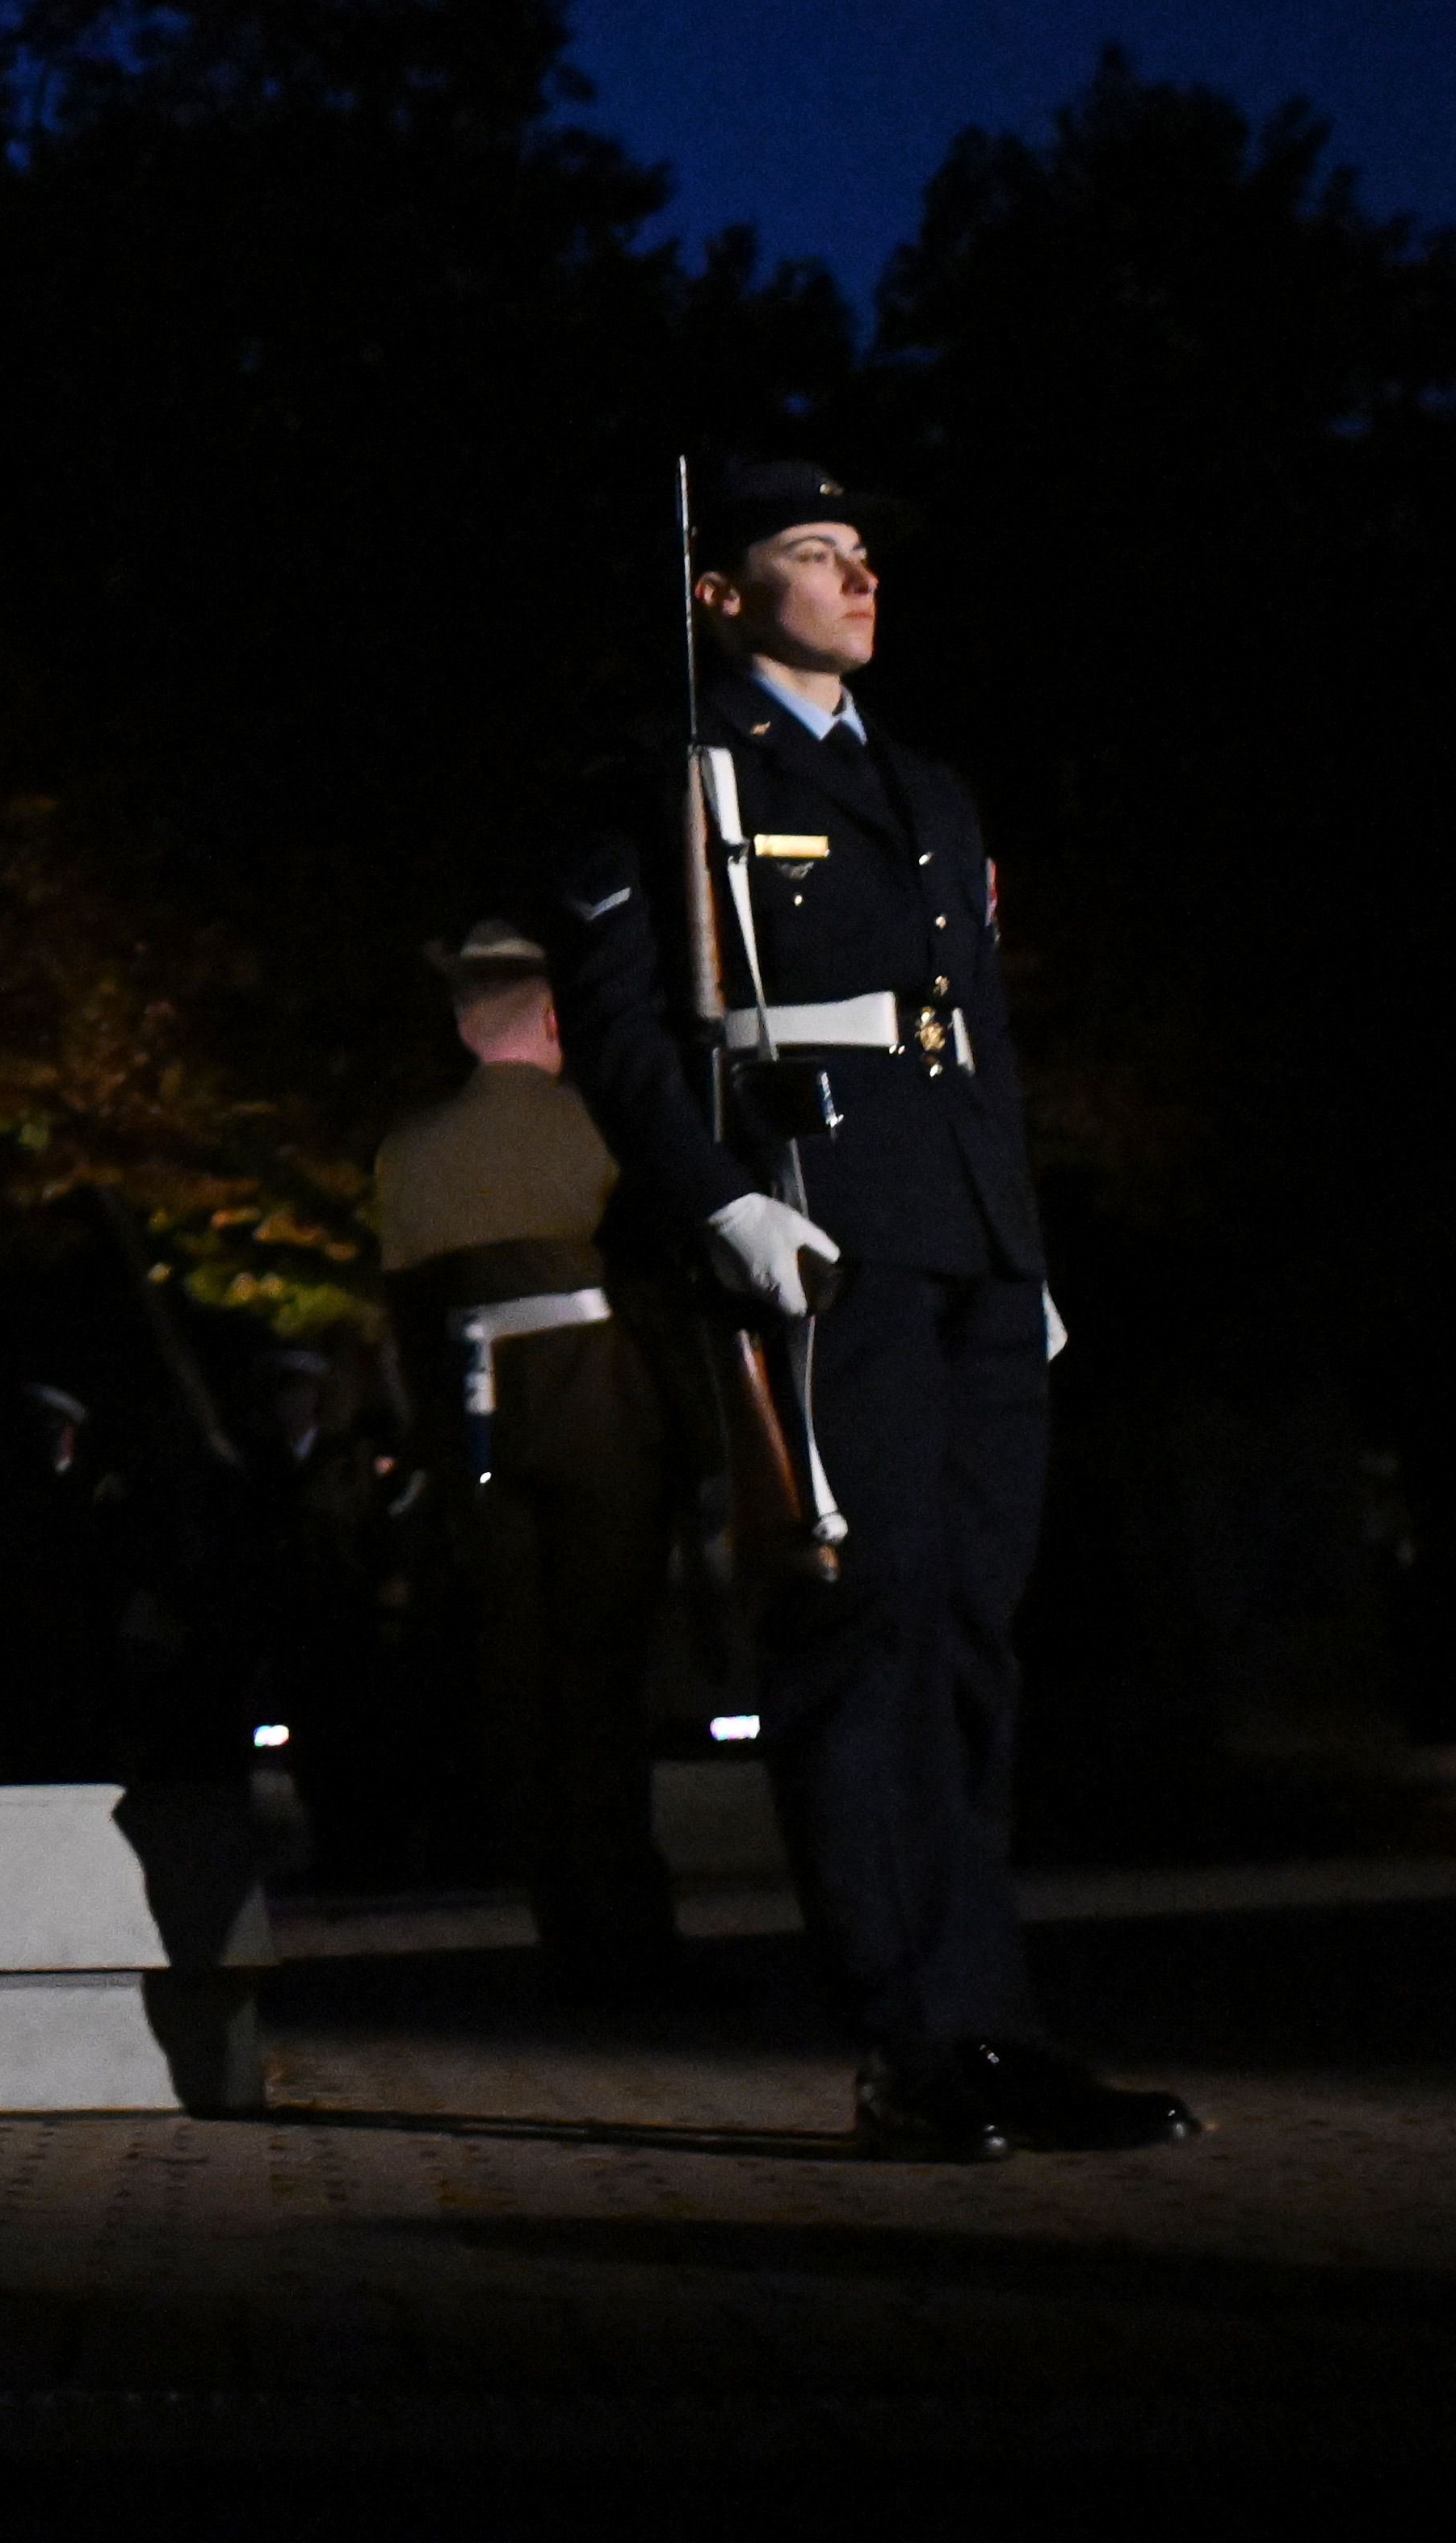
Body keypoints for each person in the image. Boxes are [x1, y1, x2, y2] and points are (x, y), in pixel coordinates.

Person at [544, 460, 1190, 2163]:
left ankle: (996, 2021)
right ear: (722, 594)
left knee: (973, 1637)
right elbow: (624, 1029)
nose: (853, 576)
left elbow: (977, 1033)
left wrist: (1026, 1253)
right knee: (868, 1627)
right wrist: (715, 1201)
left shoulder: (926, 786)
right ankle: (913, 2038)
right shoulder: (665, 776)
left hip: (966, 1242)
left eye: (861, 552)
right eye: (810, 554)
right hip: (822, 1232)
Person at [372, 919, 680, 1987]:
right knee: (602, 1679)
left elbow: (404, 1322)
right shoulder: (607, 1127)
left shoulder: (406, 1152)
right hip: (602, 1415)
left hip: (479, 1428)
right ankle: (630, 1924)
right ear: (557, 1019)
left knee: (519, 1679)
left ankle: (567, 1923)